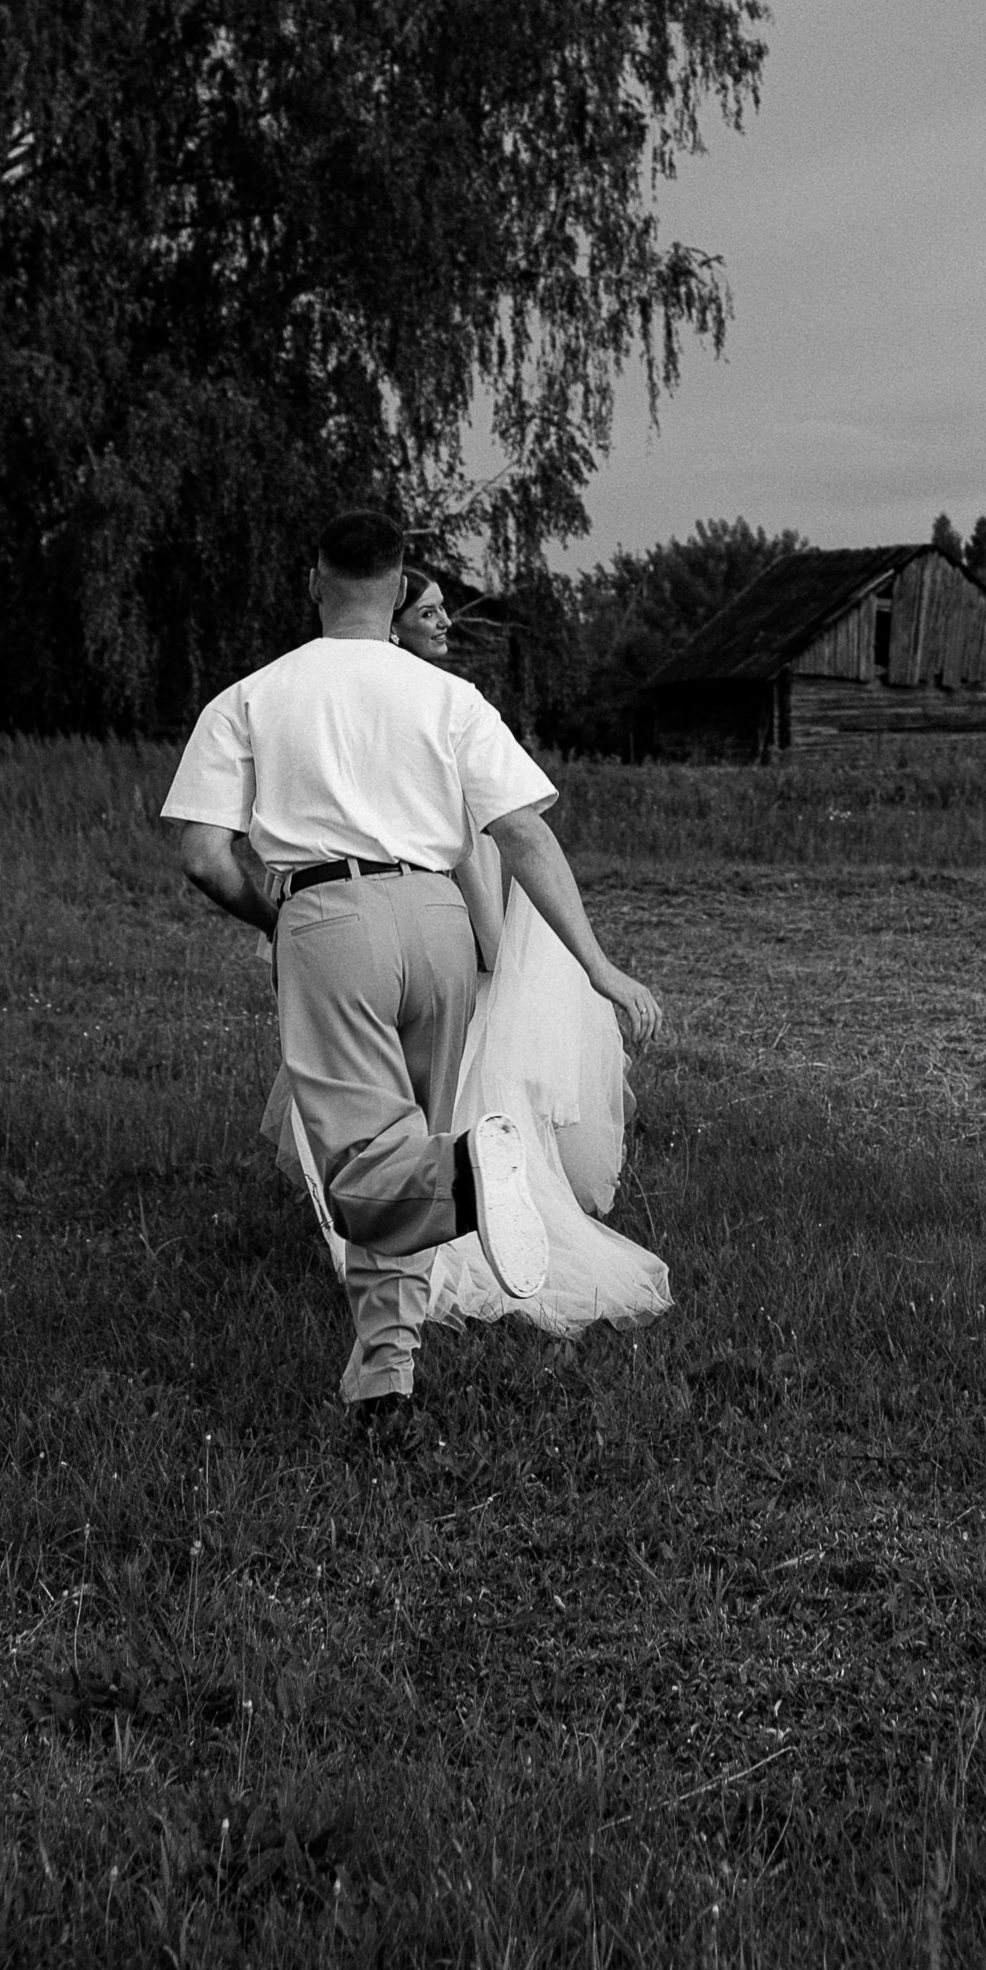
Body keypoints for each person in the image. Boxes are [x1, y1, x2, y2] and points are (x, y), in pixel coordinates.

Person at [161, 506, 663, 1429]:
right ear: (397, 591)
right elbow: (524, 836)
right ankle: (387, 1373)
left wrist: (274, 912)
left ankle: (473, 1175)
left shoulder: (251, 697)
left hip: (328, 919)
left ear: (314, 581)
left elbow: (202, 852)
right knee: (407, 1140)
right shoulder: (451, 699)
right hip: (440, 923)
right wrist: (598, 965)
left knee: (359, 1162)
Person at [263, 555, 672, 1367]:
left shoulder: (421, 710)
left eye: (447, 610)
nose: (446, 623)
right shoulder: (429, 710)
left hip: (432, 931)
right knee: (405, 1108)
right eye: (430, 613)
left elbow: (486, 848)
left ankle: (435, 1239)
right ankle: (424, 1237)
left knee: (408, 1109)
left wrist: (493, 954)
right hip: (430, 926)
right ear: (391, 620)